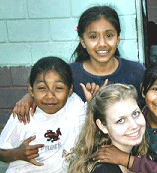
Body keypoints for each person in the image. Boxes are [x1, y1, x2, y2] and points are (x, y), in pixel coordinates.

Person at [13, 5, 145, 123]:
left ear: (118, 39)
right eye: (93, 37)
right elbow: (48, 91)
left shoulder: (136, 71)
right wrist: (29, 97)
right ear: (83, 42)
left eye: (109, 35)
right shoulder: (70, 73)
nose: (102, 43)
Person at [0, 56, 87, 173]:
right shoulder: (23, 117)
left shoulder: (75, 106)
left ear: (70, 90)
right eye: (42, 88)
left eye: (58, 88)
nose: (50, 96)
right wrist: (17, 153)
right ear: (31, 90)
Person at [68, 84, 157, 173]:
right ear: (102, 126)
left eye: (135, 114)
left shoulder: (140, 152)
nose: (134, 125)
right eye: (121, 120)